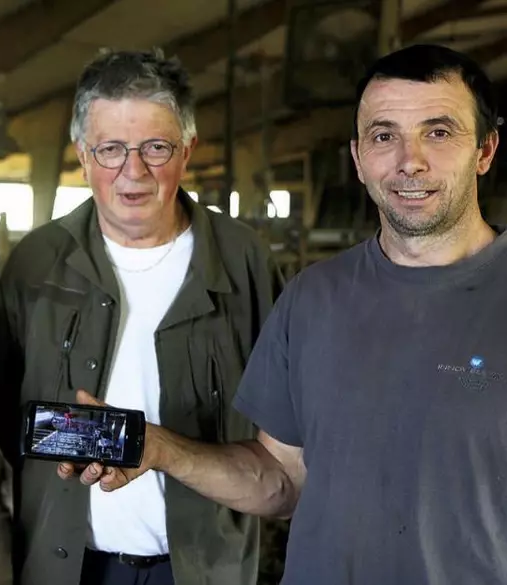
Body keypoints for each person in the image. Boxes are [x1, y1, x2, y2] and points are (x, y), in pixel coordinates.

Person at [71, 43, 507, 584]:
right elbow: (282, 480)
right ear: (357, 157)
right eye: (384, 135)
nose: (409, 160)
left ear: (486, 150)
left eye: (439, 132)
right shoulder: (312, 297)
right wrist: (156, 448)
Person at [0, 49, 275, 585]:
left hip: (204, 567)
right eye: (111, 149)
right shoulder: (34, 263)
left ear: (187, 150)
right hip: (67, 566)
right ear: (82, 154)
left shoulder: (244, 260)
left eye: (155, 148)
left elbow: (277, 421)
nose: (133, 171)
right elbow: (8, 417)